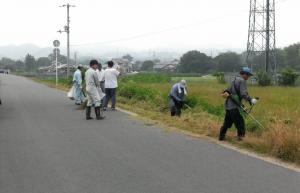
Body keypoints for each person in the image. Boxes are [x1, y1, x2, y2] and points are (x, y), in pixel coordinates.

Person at [219, 67, 258, 141]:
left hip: (228, 105)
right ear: (244, 74)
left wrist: (248, 101)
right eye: (248, 75)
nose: (248, 77)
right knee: (240, 123)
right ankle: (241, 138)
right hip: (234, 106)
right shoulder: (242, 81)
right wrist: (251, 99)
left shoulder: (233, 80)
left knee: (227, 123)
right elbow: (243, 94)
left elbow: (228, 91)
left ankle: (221, 136)